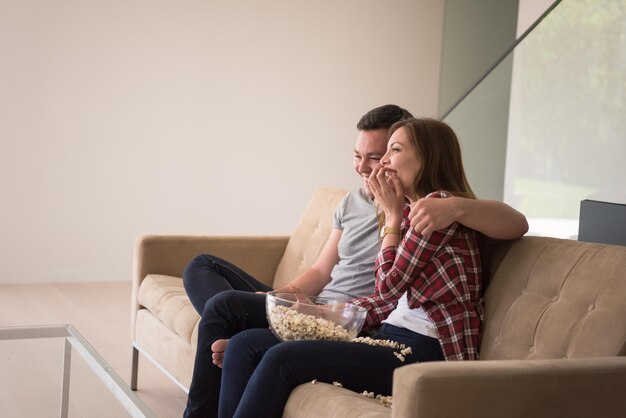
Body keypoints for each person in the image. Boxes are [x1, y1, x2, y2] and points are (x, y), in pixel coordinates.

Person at [182, 107, 528, 418]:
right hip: (387, 335)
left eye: (395, 150)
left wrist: (398, 215)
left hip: (424, 351)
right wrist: (312, 313)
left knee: (280, 359)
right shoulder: (409, 212)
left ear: (427, 157)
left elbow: (387, 283)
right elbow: (385, 298)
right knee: (246, 344)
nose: (385, 163)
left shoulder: (434, 207)